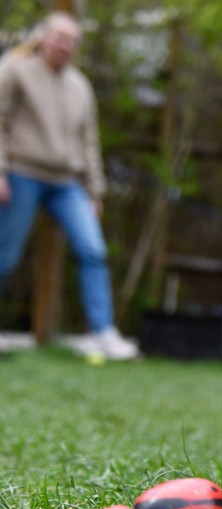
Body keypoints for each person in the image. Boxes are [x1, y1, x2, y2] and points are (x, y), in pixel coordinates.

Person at [0, 12, 138, 360]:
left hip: (67, 183)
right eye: (60, 37)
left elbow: (89, 142)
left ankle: (102, 332)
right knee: (5, 254)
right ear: (44, 37)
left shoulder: (80, 86)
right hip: (21, 172)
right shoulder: (15, 70)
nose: (66, 45)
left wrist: (95, 191)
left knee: (93, 250)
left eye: (72, 40)